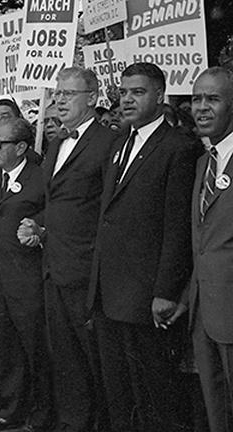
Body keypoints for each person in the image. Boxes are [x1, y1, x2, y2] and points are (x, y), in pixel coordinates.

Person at [87, 62, 200, 432]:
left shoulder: (179, 148)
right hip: (108, 291)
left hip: (146, 296)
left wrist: (166, 291)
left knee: (156, 393)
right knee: (119, 391)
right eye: (123, 92)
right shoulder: (120, 143)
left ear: (159, 95)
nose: (128, 99)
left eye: (138, 92)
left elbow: (176, 227)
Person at [18, 67, 118, 432]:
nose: (58, 100)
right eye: (57, 93)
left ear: (92, 98)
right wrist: (39, 225)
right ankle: (73, 421)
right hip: (53, 265)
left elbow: (109, 209)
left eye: (68, 94)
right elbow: (57, 201)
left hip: (86, 268)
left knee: (95, 358)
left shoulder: (110, 142)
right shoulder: (56, 144)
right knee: (65, 357)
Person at [0, 117, 52, 431]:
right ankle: (12, 409)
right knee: (5, 346)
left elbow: (53, 211)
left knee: (36, 348)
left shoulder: (41, 176)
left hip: (28, 278)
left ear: (21, 147)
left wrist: (39, 226)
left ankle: (44, 412)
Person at [189, 66, 233, 432]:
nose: (201, 107)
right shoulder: (205, 161)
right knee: (216, 413)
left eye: (213, 99)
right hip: (204, 313)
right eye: (197, 98)